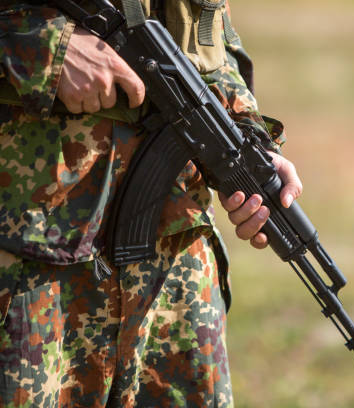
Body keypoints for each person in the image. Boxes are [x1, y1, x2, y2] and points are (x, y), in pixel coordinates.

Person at [0, 0, 301, 406]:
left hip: (177, 260)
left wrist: (247, 140)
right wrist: (42, 45)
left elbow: (212, 39)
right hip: (33, 251)